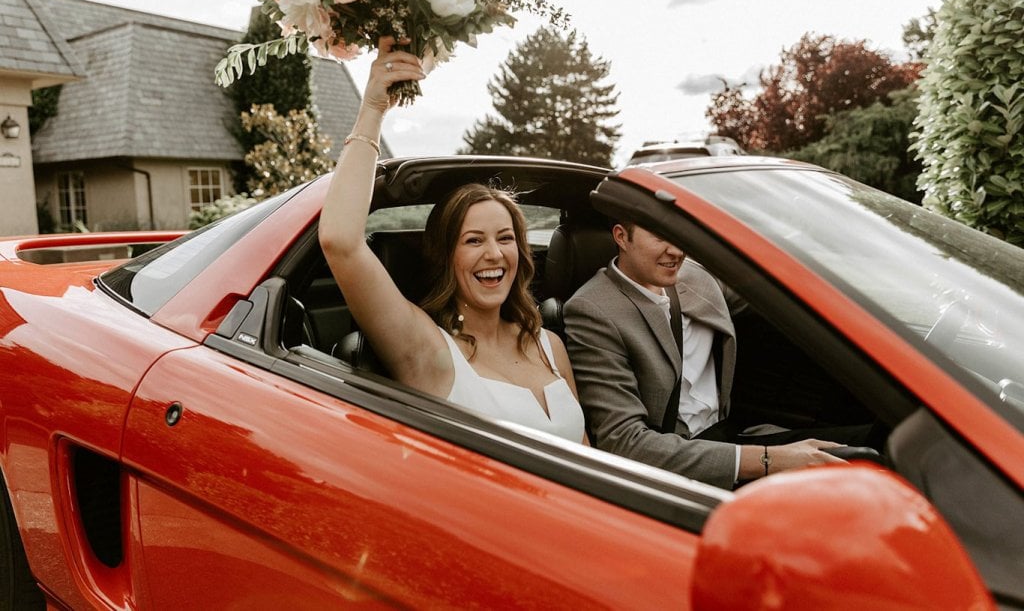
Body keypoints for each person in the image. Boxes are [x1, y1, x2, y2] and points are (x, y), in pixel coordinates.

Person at [318, 37, 587, 444]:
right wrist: (372, 109)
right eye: (474, 241)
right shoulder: (427, 350)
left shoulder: (549, 344)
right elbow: (341, 240)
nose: (494, 253)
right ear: (446, 256)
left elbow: (590, 457)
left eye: (505, 238)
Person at [563, 221, 874, 489]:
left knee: (880, 441)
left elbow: (779, 301)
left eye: (680, 234)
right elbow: (624, 442)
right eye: (660, 237)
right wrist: (768, 460)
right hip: (686, 468)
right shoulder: (593, 310)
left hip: (734, 433)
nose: (677, 251)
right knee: (861, 471)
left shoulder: (695, 276)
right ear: (621, 236)